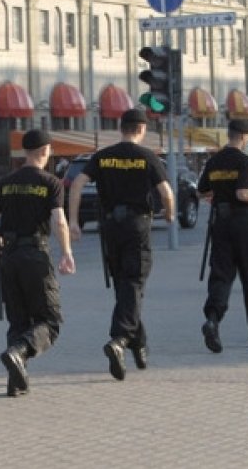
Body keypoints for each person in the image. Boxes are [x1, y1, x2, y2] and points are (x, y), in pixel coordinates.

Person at [68, 108, 174, 381]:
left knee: (124, 286)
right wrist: (170, 215)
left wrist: (74, 221)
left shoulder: (103, 157)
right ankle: (119, 340)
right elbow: (166, 192)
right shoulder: (147, 156)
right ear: (141, 130)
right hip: (137, 226)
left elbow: (77, 183)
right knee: (134, 283)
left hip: (110, 227)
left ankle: (139, 345)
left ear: (121, 127)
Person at [0, 129, 76, 397]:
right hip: (35, 254)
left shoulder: (6, 182)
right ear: (45, 151)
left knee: (18, 320)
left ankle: (16, 382)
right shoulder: (50, 182)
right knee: (51, 320)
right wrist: (66, 252)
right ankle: (18, 352)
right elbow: (58, 220)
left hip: (8, 257)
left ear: (25, 152)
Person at [196, 119, 248, 353]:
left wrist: (217, 197)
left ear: (229, 135)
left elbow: (202, 190)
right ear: (245, 137)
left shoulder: (214, 161)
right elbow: (242, 192)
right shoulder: (244, 161)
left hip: (220, 223)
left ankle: (213, 320)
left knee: (221, 275)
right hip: (242, 222)